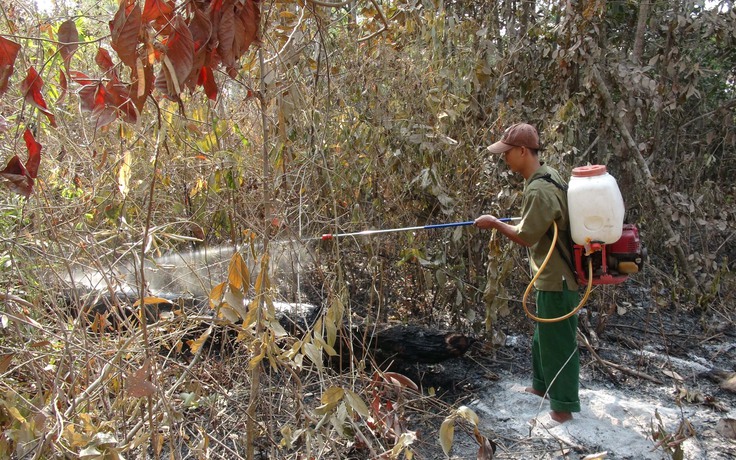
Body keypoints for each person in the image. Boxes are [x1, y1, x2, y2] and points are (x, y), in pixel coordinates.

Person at [474, 122, 580, 426]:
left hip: (557, 278)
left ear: (523, 151)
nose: (505, 159)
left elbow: (526, 236)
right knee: (542, 337)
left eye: (508, 153)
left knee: (558, 341)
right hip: (550, 275)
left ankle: (563, 407)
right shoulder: (547, 175)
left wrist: (494, 223)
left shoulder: (539, 188)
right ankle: (541, 386)